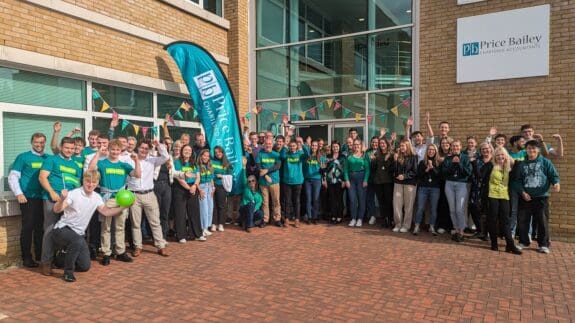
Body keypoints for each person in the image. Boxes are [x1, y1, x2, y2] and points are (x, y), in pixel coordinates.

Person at [49, 170, 128, 282]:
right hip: (62, 229)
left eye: (94, 182)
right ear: (83, 181)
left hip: (79, 235)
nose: (90, 184)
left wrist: (124, 207)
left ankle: (60, 259)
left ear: (97, 183)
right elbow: (56, 209)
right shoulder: (74, 194)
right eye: (88, 181)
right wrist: (62, 198)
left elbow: (105, 212)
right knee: (76, 241)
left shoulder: (97, 197)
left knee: (84, 266)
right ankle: (68, 272)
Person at [87, 139, 141, 266]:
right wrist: (98, 153)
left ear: (120, 150)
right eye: (113, 149)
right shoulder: (103, 163)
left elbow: (137, 175)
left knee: (120, 226)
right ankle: (106, 252)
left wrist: (137, 161)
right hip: (107, 197)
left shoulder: (124, 165)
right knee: (106, 226)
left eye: (117, 149)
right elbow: (90, 168)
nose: (115, 152)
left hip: (121, 198)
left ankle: (120, 251)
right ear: (109, 150)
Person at [38, 137, 83, 276]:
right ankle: (46, 262)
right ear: (61, 147)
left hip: (68, 203)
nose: (69, 150)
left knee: (66, 231)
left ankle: (59, 259)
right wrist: (51, 192)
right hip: (52, 199)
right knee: (50, 230)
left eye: (71, 148)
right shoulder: (52, 159)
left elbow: (77, 185)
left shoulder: (75, 165)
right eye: (66, 148)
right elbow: (42, 177)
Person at [8, 133, 49, 267]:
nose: (39, 145)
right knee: (28, 228)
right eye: (36, 142)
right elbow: (13, 176)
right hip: (28, 198)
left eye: (42, 142)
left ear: (45, 143)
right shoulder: (23, 157)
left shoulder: (48, 158)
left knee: (40, 228)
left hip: (43, 197)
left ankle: (39, 256)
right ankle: (26, 257)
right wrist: (18, 193)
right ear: (31, 142)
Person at [512, 140, 560, 254]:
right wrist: (523, 192)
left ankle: (543, 244)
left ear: (538, 149)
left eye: (533, 148)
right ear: (526, 150)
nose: (531, 150)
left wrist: (556, 183)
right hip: (526, 197)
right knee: (523, 220)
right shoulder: (522, 164)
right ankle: (523, 242)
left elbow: (553, 175)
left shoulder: (545, 162)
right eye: (529, 148)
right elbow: (516, 181)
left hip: (541, 197)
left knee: (542, 221)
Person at [127, 139, 170, 257]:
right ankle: (138, 246)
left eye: (146, 148)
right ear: (138, 148)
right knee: (136, 223)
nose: (144, 150)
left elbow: (166, 157)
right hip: (134, 194)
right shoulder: (130, 160)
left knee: (155, 222)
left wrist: (158, 145)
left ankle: (160, 246)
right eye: (142, 148)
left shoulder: (152, 160)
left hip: (149, 194)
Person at [481, 148, 522, 255]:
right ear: (494, 156)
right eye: (498, 155)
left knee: (506, 221)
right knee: (492, 220)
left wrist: (511, 160)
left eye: (502, 155)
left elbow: (517, 174)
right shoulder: (491, 166)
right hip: (491, 195)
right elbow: (481, 175)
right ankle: (494, 243)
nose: (500, 157)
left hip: (504, 196)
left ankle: (510, 245)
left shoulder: (508, 167)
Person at [441, 140, 472, 242]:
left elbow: (468, 173)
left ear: (460, 147)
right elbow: (444, 173)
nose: (455, 148)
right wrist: (452, 164)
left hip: (461, 184)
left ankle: (461, 230)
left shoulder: (465, 158)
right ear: (451, 147)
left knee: (459, 209)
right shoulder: (448, 158)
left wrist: (458, 164)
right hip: (449, 184)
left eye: (457, 146)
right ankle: (456, 228)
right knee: (452, 209)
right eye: (453, 146)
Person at [172, 145, 204, 243]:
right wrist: (189, 188)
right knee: (180, 212)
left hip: (193, 187)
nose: (187, 151)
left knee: (194, 212)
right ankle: (181, 235)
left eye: (189, 150)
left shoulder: (194, 163)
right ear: (181, 151)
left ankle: (197, 234)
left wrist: (194, 186)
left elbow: (198, 177)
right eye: (185, 150)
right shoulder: (177, 162)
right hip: (180, 188)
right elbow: (179, 178)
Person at [390, 139, 418, 233]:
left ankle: (406, 225)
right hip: (398, 183)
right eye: (400, 146)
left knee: (408, 206)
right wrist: (394, 160)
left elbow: (415, 171)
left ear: (408, 146)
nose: (401, 147)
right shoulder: (397, 156)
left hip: (409, 184)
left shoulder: (414, 157)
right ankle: (398, 224)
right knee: (397, 204)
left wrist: (405, 176)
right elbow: (392, 171)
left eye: (403, 146)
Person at [414, 144, 442, 235]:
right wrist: (427, 169)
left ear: (436, 151)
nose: (431, 151)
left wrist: (432, 168)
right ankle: (417, 226)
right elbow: (419, 175)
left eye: (433, 150)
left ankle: (432, 226)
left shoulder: (439, 162)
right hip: (423, 187)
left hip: (435, 188)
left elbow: (439, 176)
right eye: (429, 149)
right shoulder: (422, 162)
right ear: (427, 151)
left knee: (433, 209)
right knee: (420, 208)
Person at [280, 138, 308, 227]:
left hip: (297, 182)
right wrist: (285, 145)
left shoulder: (300, 155)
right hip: (287, 182)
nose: (292, 147)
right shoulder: (286, 155)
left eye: (294, 146)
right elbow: (281, 156)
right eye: (291, 146)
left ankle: (297, 219)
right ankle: (287, 219)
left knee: (297, 201)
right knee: (287, 201)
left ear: (296, 146)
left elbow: (307, 154)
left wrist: (302, 144)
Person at [468, 143, 493, 241]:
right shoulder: (478, 160)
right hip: (476, 188)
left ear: (490, 149)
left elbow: (481, 175)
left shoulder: (494, 160)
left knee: (486, 211)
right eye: (482, 149)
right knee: (474, 208)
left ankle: (486, 233)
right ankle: (479, 230)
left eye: (487, 148)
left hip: (489, 189)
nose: (485, 150)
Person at [256, 138, 282, 227]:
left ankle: (277, 219)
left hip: (274, 181)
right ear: (264, 145)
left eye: (270, 144)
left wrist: (267, 171)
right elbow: (258, 167)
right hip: (263, 182)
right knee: (265, 202)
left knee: (276, 201)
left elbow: (277, 166)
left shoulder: (276, 154)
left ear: (272, 144)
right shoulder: (260, 154)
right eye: (266, 144)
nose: (268, 145)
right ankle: (265, 220)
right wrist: (265, 175)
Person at [344, 139, 370, 227]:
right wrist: (346, 180)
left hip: (361, 178)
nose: (356, 146)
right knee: (352, 200)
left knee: (362, 200)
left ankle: (360, 219)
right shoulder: (349, 156)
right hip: (351, 180)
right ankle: (353, 218)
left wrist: (366, 180)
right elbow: (345, 170)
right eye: (355, 144)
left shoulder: (364, 156)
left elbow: (367, 170)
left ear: (361, 145)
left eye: (358, 144)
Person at [372, 137, 394, 229]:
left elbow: (392, 169)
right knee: (381, 202)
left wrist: (386, 160)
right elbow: (373, 168)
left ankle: (390, 219)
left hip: (388, 181)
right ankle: (384, 219)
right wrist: (373, 160)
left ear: (387, 144)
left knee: (388, 201)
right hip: (378, 182)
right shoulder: (377, 154)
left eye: (383, 143)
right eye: (380, 143)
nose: (382, 145)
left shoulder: (391, 155)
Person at [303, 140, 326, 224]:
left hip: (317, 179)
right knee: (308, 199)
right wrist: (306, 144)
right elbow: (304, 147)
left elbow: (324, 169)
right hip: (307, 180)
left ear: (318, 147)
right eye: (312, 145)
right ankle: (309, 217)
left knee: (316, 199)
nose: (314, 147)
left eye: (315, 145)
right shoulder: (307, 156)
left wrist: (323, 168)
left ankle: (315, 217)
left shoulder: (321, 157)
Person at [324, 141, 345, 224]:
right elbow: (325, 169)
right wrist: (324, 180)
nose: (335, 148)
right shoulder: (328, 157)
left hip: (340, 181)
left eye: (337, 146)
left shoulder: (343, 157)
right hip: (330, 181)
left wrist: (344, 180)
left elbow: (344, 169)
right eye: (333, 147)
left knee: (339, 199)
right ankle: (333, 216)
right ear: (331, 148)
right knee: (332, 199)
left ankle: (339, 216)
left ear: (339, 147)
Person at [211, 146, 231, 232]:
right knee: (213, 205)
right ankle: (213, 224)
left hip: (222, 186)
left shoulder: (227, 163)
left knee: (221, 206)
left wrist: (222, 176)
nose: (218, 154)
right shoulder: (211, 161)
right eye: (216, 152)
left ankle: (221, 224)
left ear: (222, 152)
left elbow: (230, 176)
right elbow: (210, 173)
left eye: (219, 152)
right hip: (212, 185)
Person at [198, 149, 215, 237]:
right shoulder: (198, 166)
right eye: (204, 155)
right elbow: (196, 180)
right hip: (202, 187)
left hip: (209, 187)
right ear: (201, 156)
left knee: (210, 208)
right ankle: (202, 228)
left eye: (208, 156)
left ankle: (207, 227)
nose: (206, 157)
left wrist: (213, 188)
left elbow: (211, 178)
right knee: (203, 209)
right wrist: (199, 190)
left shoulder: (210, 165)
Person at [365, 136, 379, 225]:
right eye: (373, 142)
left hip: (380, 179)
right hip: (370, 179)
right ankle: (373, 215)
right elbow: (366, 166)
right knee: (370, 198)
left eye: (376, 142)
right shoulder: (367, 152)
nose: (374, 144)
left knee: (381, 199)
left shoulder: (381, 152)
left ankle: (385, 217)